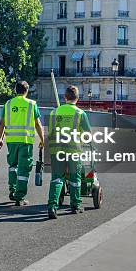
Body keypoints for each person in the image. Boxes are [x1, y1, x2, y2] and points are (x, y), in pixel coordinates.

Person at [46, 85, 92, 218]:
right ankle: (75, 205)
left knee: (57, 177)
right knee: (74, 178)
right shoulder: (80, 114)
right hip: (74, 151)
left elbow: (50, 133)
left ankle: (52, 206)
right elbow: (88, 134)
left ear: (65, 97)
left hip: (57, 150)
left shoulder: (54, 112)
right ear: (78, 98)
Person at [0, 81, 44, 206]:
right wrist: (42, 139)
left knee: (13, 166)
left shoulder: (8, 104)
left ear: (15, 90)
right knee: (23, 169)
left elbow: (2, 123)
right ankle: (20, 196)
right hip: (25, 141)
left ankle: (12, 191)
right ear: (27, 91)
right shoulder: (31, 104)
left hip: (11, 141)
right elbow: (37, 124)